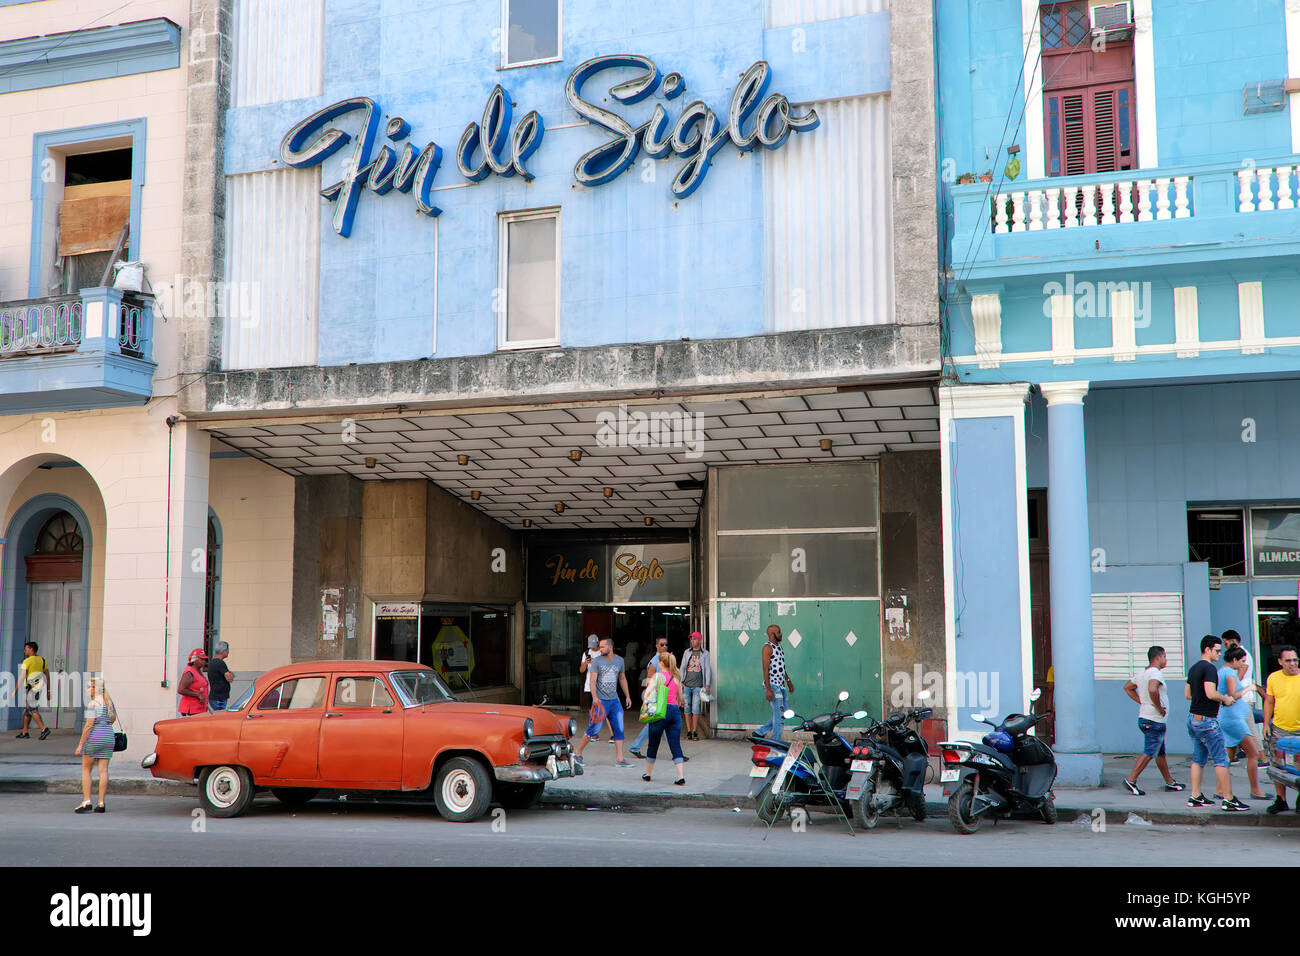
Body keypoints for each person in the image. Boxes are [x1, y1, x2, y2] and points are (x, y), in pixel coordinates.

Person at [1184, 635, 1249, 812]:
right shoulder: (1210, 668)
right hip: (1207, 720)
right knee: (1221, 759)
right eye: (1217, 650)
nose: (1220, 654)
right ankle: (1229, 799)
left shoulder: (1194, 668)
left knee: (1198, 758)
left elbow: (1188, 694)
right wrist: (1225, 699)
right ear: (1207, 650)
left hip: (1193, 718)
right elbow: (1211, 693)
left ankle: (1195, 796)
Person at [1120, 645, 1183, 795]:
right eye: (1165, 656)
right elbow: (1152, 689)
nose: (1166, 660)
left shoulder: (1142, 673)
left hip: (1146, 717)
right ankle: (1131, 780)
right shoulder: (1155, 673)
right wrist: (1159, 707)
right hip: (1153, 719)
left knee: (1160, 753)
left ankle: (1170, 782)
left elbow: (1128, 687)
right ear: (1158, 658)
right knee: (1150, 751)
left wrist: (1143, 702)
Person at [573, 637, 634, 767]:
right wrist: (595, 698)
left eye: (602, 647)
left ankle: (620, 759)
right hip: (601, 701)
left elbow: (622, 678)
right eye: (599, 647)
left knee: (619, 729)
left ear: (610, 647)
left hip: (615, 700)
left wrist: (627, 696)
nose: (599, 649)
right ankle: (577, 753)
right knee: (593, 729)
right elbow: (592, 681)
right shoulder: (597, 662)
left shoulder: (620, 661)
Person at [1218, 646, 1268, 800]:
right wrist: (1250, 688)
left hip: (1228, 718)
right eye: (1242, 661)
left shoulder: (1221, 671)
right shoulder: (1230, 673)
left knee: (1228, 755)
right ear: (1234, 660)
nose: (1243, 665)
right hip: (1234, 719)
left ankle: (1220, 790)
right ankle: (1255, 790)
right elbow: (1233, 695)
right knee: (1253, 754)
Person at [630, 637, 688, 760]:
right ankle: (677, 754)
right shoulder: (654, 661)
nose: (664, 646)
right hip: (659, 699)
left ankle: (635, 747)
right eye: (662, 644)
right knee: (666, 725)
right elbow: (649, 680)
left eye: (666, 644)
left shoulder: (666, 659)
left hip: (665, 699)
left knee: (657, 724)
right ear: (656, 646)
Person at [1263, 644, 1300, 814]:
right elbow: (1269, 701)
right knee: (1278, 765)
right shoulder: (1273, 678)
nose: (1292, 663)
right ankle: (1281, 800)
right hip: (1280, 729)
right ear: (1280, 662)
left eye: (1295, 659)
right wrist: (1265, 724)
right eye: (1288, 660)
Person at [642, 652, 686, 786]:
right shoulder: (676, 678)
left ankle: (648, 774)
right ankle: (680, 776)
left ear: (661, 663)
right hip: (674, 712)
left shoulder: (657, 677)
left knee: (653, 743)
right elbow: (681, 699)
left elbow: (647, 694)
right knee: (675, 744)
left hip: (659, 712)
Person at [74, 676, 115, 813]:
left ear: (94, 689)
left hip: (95, 738)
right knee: (103, 771)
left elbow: (89, 725)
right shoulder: (109, 702)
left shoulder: (93, 704)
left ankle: (86, 801)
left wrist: (80, 744)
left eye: (88, 686)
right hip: (108, 737)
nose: (86, 689)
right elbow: (113, 718)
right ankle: (101, 803)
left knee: (86, 769)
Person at [1220, 630, 1262, 762]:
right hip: (1239, 697)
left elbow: (1239, 676)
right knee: (1237, 729)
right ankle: (1234, 756)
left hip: (1242, 697)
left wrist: (1232, 681)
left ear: (1232, 641)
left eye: (1225, 643)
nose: (1224, 646)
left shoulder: (1242, 656)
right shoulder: (1231, 665)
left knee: (1250, 728)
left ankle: (1262, 757)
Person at [757, 624, 794, 741]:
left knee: (784, 713)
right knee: (779, 713)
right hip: (773, 686)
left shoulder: (779, 646)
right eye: (778, 632)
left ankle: (760, 732)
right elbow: (765, 668)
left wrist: (788, 681)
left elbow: (781, 666)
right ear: (772, 634)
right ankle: (776, 740)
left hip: (781, 686)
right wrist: (768, 689)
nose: (781, 634)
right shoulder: (767, 648)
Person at [680, 631, 711, 741]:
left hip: (698, 685)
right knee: (687, 707)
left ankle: (695, 731)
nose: (692, 641)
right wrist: (681, 681)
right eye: (691, 639)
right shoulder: (687, 652)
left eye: (694, 639)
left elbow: (707, 669)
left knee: (695, 708)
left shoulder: (705, 654)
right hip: (687, 684)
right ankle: (689, 731)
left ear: (700, 640)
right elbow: (683, 667)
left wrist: (707, 684)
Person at [16, 641, 51, 740]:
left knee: (32, 709)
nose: (25, 651)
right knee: (27, 711)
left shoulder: (27, 661)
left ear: (31, 649)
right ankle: (25, 732)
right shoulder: (42, 660)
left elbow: (22, 677)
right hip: (38, 689)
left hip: (30, 689)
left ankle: (44, 729)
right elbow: (47, 676)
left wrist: (15, 689)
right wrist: (48, 691)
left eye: (26, 649)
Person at [177, 648, 210, 716]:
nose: (204, 661)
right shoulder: (189, 672)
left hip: (199, 708)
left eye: (205, 659)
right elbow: (181, 690)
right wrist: (198, 695)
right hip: (192, 709)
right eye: (201, 659)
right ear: (194, 660)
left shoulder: (198, 671)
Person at [207, 642, 235, 711]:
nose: (228, 652)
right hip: (219, 699)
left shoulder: (213, 662)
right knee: (219, 717)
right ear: (223, 651)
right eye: (227, 650)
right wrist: (231, 675)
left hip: (216, 697)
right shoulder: (219, 662)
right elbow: (230, 678)